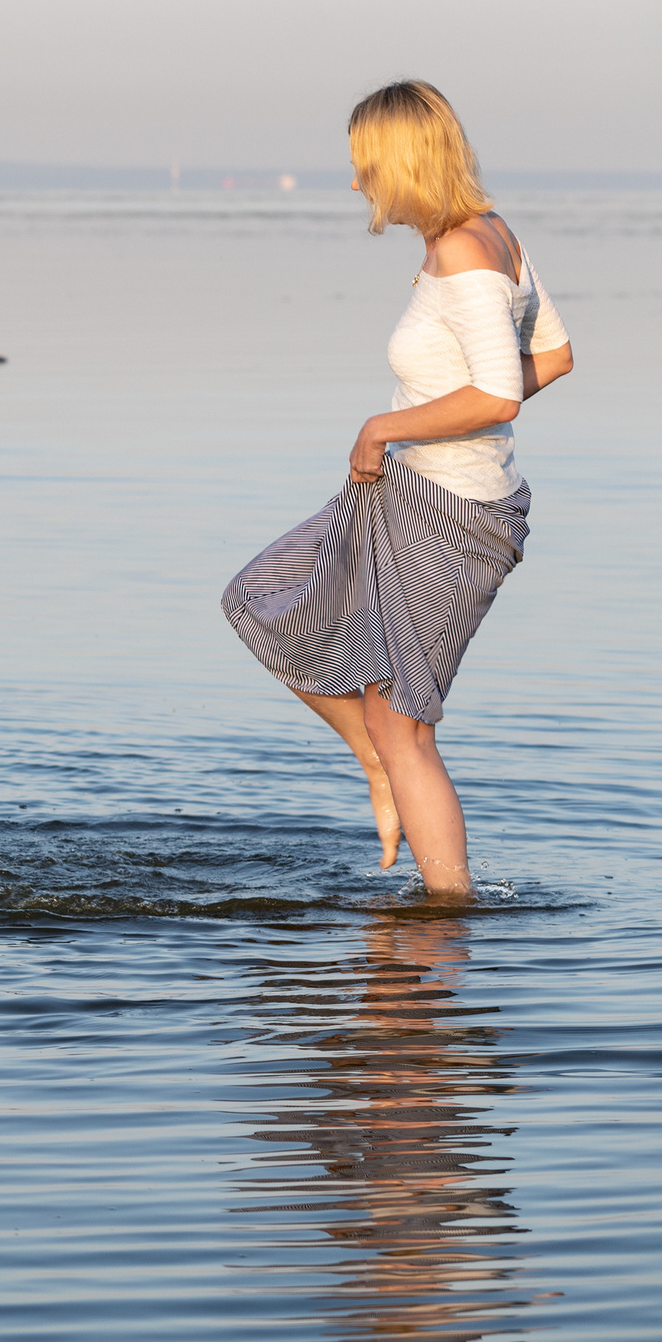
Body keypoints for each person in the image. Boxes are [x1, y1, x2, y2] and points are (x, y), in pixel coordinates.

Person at [222, 82, 573, 900]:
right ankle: (377, 766)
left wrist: (384, 428)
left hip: (451, 512)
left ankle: (446, 915)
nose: (356, 184)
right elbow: (551, 358)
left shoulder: (466, 255)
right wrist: (420, 426)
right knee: (259, 600)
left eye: (363, 166)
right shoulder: (489, 235)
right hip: (405, 495)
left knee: (407, 725)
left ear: (405, 161)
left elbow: (500, 395)